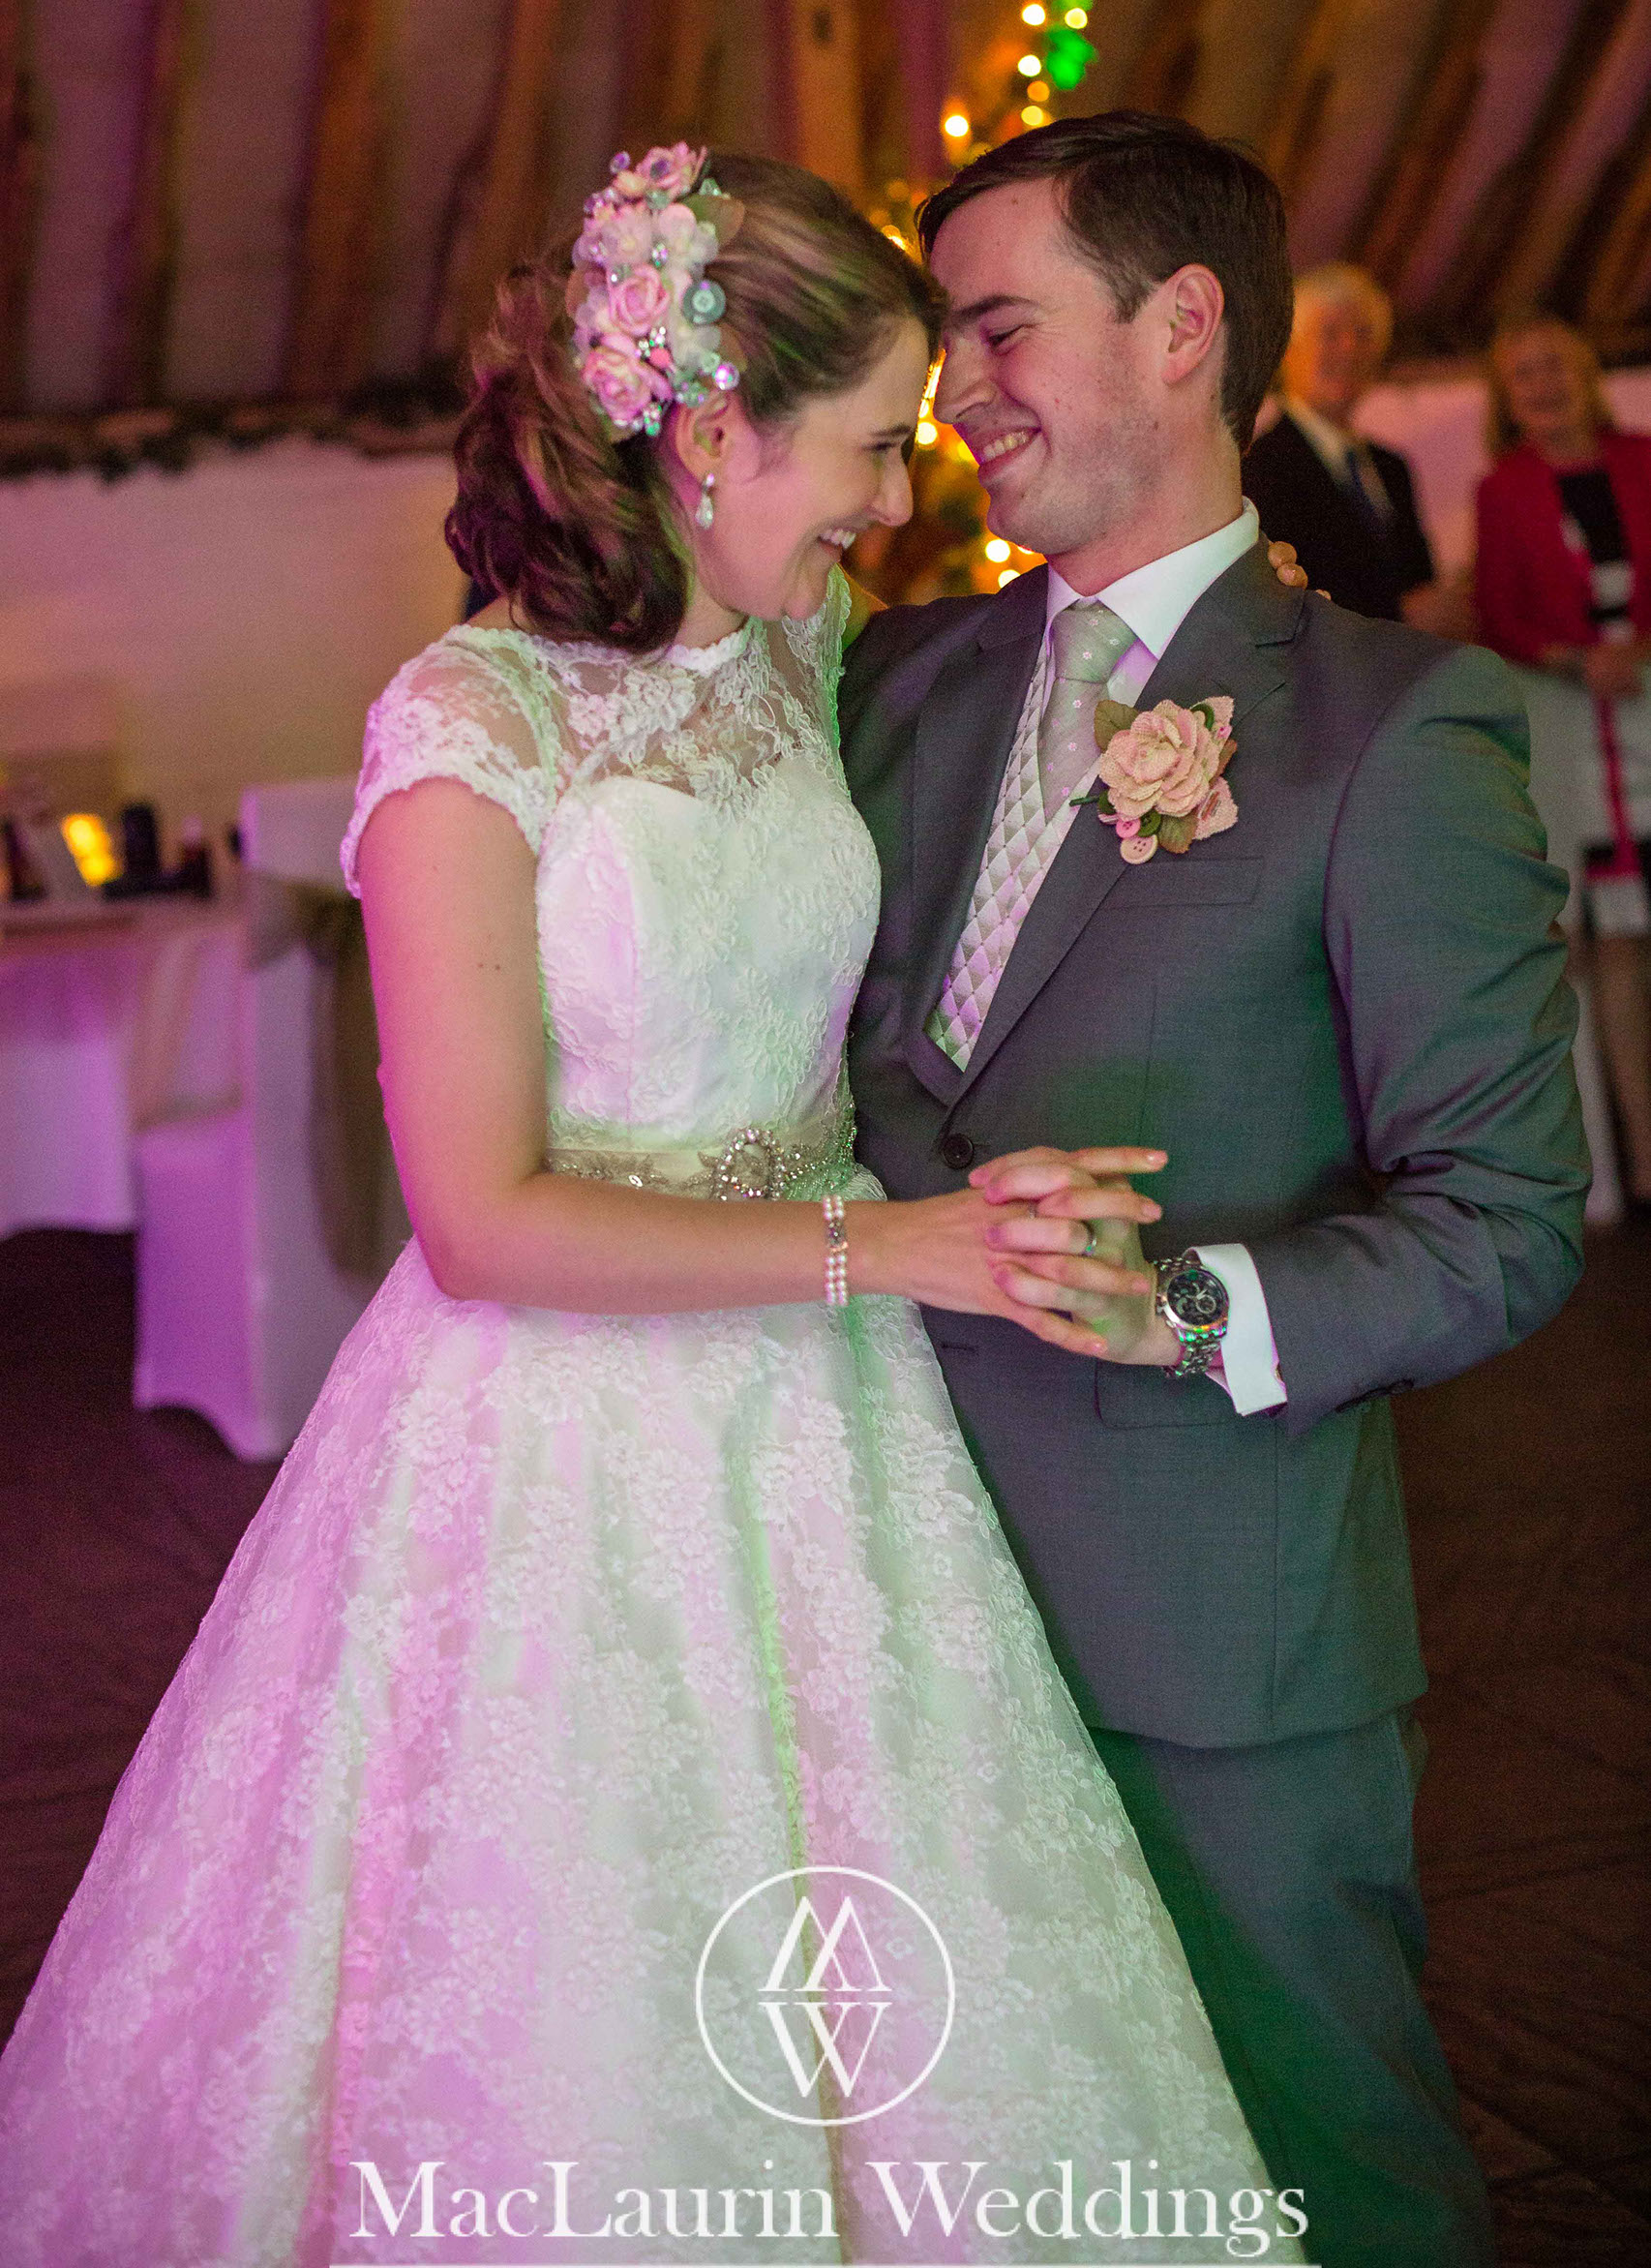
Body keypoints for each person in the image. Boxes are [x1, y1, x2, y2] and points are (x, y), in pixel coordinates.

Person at [0, 149, 1309, 2266]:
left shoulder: (808, 657)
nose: (896, 494)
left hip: (831, 1431)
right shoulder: (464, 725)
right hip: (554, 1445)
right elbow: (480, 1218)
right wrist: (880, 1244)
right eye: (871, 444)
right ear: (710, 430)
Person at [840, 111, 1589, 2268]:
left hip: (1211, 1626)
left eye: (997, 329)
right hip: (886, 1596)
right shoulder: (895, 686)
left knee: (1324, 2163)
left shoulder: (1391, 728)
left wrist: (1182, 1305)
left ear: (1182, 330)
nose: (954, 392)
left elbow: (1502, 1215)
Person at [1476, 310, 1651, 1207]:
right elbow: (1499, 614)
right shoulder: (1502, 491)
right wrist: (1581, 659)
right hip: (1577, 742)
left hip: (1648, 713)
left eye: (1555, 366)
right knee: (1608, 940)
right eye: (1523, 375)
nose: (1543, 385)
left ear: (1585, 373)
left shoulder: (1642, 462)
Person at [1243, 262, 1444, 628]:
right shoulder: (1260, 468)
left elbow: (1421, 581)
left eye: (1364, 335)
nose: (1350, 349)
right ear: (1289, 349)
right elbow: (1278, 599)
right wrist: (1397, 612)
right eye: (1330, 334)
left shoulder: (1391, 468)